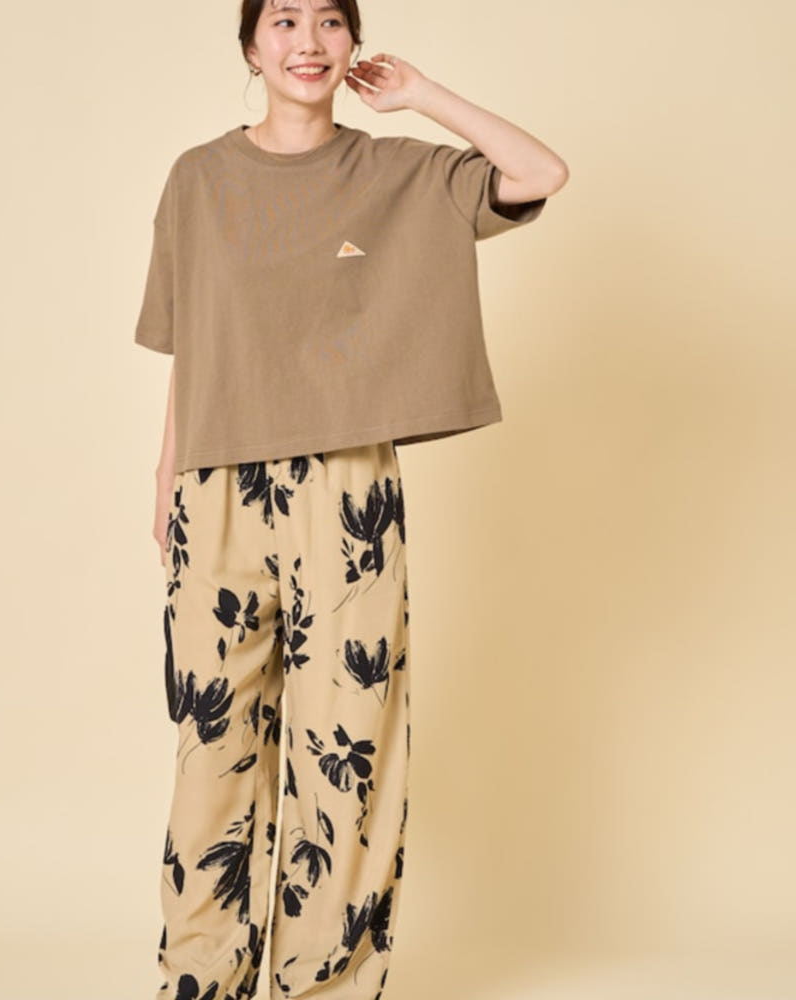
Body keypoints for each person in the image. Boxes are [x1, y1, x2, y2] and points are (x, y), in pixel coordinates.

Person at [133, 2, 568, 998]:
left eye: (329, 20)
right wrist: (166, 477)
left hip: (346, 492)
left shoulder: (396, 172)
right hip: (217, 483)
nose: (308, 41)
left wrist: (422, 96)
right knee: (212, 746)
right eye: (284, 20)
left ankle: (326, 984)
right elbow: (197, 342)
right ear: (251, 45)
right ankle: (200, 976)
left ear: (353, 43)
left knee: (347, 745)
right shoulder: (197, 179)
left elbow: (540, 173)